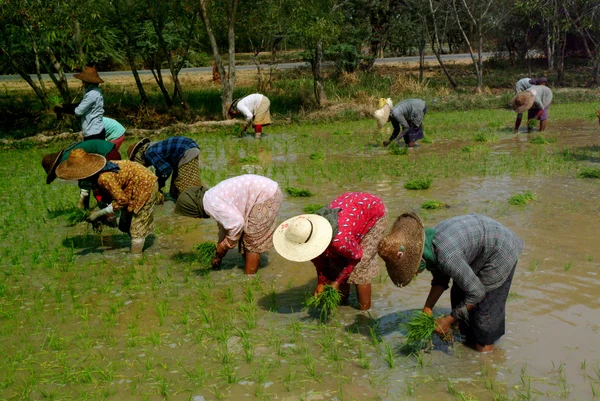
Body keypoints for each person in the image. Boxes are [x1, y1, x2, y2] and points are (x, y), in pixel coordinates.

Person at [378, 213, 523, 353]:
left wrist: (447, 320)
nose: (414, 273)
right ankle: (467, 345)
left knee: (484, 315)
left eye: (412, 269)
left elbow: (477, 292)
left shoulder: (446, 255)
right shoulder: (426, 245)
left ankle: (484, 361)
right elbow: (441, 278)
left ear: (418, 259)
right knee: (458, 297)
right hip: (478, 249)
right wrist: (428, 309)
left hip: (500, 251)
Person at [273, 192, 387, 311]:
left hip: (372, 210)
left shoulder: (339, 241)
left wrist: (336, 282)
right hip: (349, 211)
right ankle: (343, 304)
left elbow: (356, 257)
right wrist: (321, 282)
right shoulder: (308, 231)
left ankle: (364, 314)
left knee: (361, 270)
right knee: (337, 264)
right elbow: (320, 261)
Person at [55, 149, 160, 254]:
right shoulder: (96, 176)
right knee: (124, 225)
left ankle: (136, 259)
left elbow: (122, 201)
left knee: (137, 227)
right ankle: (136, 243)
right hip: (131, 186)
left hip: (146, 185)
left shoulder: (103, 178)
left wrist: (98, 214)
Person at [174, 174, 283, 275]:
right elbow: (224, 227)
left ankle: (250, 280)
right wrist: (219, 253)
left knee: (252, 243)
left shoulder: (212, 205)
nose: (196, 217)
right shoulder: (210, 197)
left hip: (266, 195)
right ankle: (250, 269)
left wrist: (225, 245)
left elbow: (237, 224)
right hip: (267, 190)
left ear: (192, 208)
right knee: (244, 237)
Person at [41, 139, 122, 209]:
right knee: (96, 186)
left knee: (103, 184)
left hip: (108, 154)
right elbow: (83, 178)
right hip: (109, 150)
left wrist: (81, 201)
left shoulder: (66, 161)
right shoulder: (65, 158)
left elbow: (85, 177)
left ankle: (112, 207)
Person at [128, 136, 201, 200]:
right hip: (186, 149)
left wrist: (158, 185)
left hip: (187, 150)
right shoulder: (153, 148)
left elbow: (166, 170)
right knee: (174, 190)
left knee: (184, 188)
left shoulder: (149, 153)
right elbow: (162, 168)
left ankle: (190, 208)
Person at [54, 67, 105, 140]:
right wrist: (66, 106)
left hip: (93, 132)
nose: (82, 83)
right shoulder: (95, 91)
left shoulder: (92, 94)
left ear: (88, 82)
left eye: (83, 81)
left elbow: (78, 111)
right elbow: (82, 105)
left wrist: (62, 110)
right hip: (96, 130)